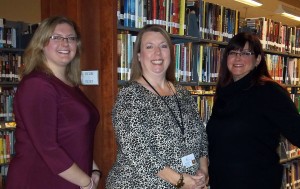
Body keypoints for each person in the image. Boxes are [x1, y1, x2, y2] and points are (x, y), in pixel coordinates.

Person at [106, 24, 209, 189]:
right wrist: (179, 181)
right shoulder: (129, 96)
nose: (158, 53)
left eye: (163, 46)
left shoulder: (183, 94)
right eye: (149, 46)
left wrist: (203, 170)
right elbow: (137, 150)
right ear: (139, 56)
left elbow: (201, 137)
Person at [6, 16, 101, 189]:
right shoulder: (37, 85)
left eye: (71, 38)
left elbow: (76, 137)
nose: (65, 43)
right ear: (41, 44)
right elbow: (48, 147)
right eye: (56, 37)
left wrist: (94, 170)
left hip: (70, 179)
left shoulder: (70, 86)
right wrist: (86, 183)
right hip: (39, 181)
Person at [206, 32, 300, 189]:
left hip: (256, 182)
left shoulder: (270, 92)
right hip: (221, 182)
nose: (238, 58)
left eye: (246, 53)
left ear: (257, 60)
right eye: (233, 52)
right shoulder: (224, 93)